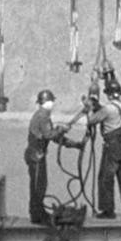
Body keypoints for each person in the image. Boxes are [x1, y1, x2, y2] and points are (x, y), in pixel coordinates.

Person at [87, 75, 121, 220]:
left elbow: (92, 120)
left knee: (106, 177)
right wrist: (98, 107)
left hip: (112, 148)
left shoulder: (108, 109)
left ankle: (108, 210)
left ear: (109, 94)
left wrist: (90, 107)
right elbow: (110, 112)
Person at [24, 89, 83, 225]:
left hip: (38, 156)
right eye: (50, 102)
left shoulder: (45, 116)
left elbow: (55, 137)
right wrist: (61, 129)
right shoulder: (42, 116)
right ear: (44, 103)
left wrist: (74, 144)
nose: (51, 104)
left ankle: (38, 213)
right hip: (36, 157)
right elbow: (49, 135)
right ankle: (37, 215)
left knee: (40, 186)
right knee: (38, 187)